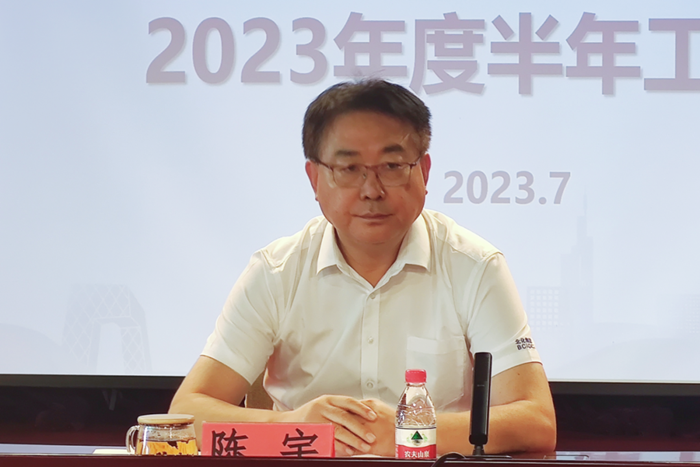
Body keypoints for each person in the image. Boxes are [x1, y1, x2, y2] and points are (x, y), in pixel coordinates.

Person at [169, 79, 556, 456]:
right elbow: (187, 413)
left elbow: (537, 423)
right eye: (349, 169)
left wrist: (408, 432)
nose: (372, 190)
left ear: (424, 172)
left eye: (392, 166)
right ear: (314, 179)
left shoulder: (475, 266)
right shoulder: (276, 272)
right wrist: (296, 425)